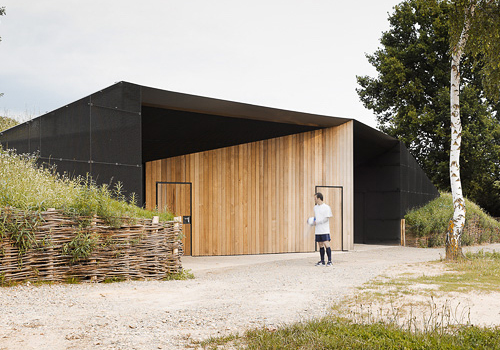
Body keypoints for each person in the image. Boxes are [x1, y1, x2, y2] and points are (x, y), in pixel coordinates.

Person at [312, 192, 333, 266]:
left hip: (325, 229)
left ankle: (330, 261)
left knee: (326, 244)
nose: (314, 200)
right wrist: (313, 221)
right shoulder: (315, 207)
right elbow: (316, 217)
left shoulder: (326, 207)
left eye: (315, 198)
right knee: (320, 245)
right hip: (318, 230)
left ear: (319, 198)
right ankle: (322, 261)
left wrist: (318, 222)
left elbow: (327, 218)